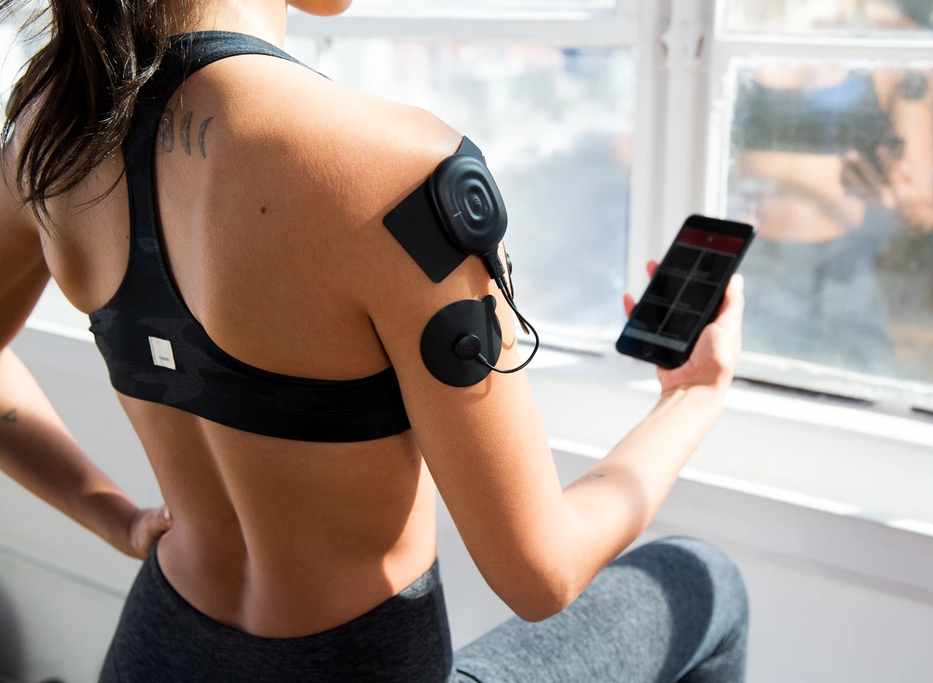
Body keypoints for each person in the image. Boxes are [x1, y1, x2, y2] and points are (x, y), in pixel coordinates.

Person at [0, 0, 748, 680]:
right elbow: (539, 574)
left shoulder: (52, 124)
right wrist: (694, 399)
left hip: (155, 649)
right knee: (702, 578)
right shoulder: (396, 171)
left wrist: (118, 518)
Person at [729, 0, 933, 377]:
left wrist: (899, 208)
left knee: (858, 413)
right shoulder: (728, 18)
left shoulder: (894, 38)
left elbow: (923, 210)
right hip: (744, 269)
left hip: (841, 277)